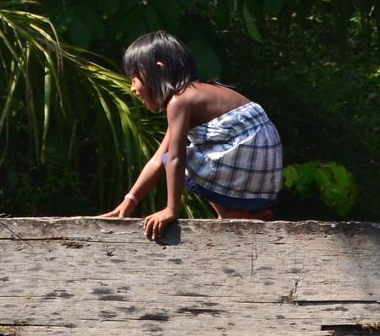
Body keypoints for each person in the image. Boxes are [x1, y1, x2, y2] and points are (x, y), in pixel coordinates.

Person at [99, 30, 281, 239]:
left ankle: (231, 214)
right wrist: (129, 201)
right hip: (264, 166)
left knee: (176, 158)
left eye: (134, 78)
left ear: (157, 70)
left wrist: (171, 209)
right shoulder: (198, 92)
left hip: (247, 156)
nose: (133, 88)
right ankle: (247, 212)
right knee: (174, 155)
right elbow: (157, 159)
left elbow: (174, 158)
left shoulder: (180, 100)